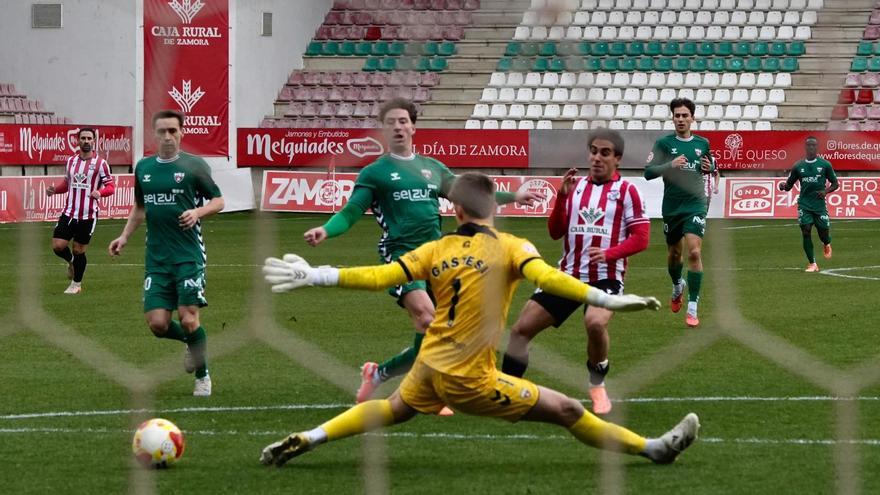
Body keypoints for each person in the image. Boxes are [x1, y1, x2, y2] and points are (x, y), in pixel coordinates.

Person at [260, 172, 699, 468]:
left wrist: (315, 274)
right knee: (567, 409)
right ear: (493, 206)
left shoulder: (436, 248)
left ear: (455, 211)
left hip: (429, 366)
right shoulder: (510, 246)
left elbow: (381, 276)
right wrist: (606, 299)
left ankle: (310, 437)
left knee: (393, 408)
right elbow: (548, 278)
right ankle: (653, 449)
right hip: (469, 378)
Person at [302, 97, 543, 409]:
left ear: (413, 127)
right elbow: (350, 213)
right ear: (383, 130)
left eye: (403, 121)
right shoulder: (375, 173)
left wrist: (514, 196)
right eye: (391, 122)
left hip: (436, 258)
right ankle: (426, 391)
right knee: (429, 319)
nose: (398, 127)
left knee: (441, 331)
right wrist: (325, 229)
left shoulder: (432, 168)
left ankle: (379, 373)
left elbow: (471, 195)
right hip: (400, 256)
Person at [502, 129, 650, 415]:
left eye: (604, 153)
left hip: (605, 278)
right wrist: (561, 198)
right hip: (567, 275)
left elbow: (641, 238)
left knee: (595, 323)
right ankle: (507, 390)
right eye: (593, 151)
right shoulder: (576, 187)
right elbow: (555, 232)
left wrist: (609, 253)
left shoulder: (628, 191)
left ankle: (597, 384)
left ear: (617, 158)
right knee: (520, 331)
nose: (597, 158)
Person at [108, 110, 224, 397]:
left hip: (188, 255)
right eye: (162, 131)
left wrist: (197, 212)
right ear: (154, 135)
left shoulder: (194, 165)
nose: (168, 136)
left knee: (188, 318)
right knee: (158, 324)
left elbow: (218, 201)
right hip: (157, 259)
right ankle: (191, 342)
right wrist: (124, 236)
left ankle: (203, 376)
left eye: (173, 130)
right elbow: (140, 207)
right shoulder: (144, 168)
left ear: (182, 132)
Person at [644, 98, 714, 328]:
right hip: (672, 207)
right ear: (672, 118)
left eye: (685, 115)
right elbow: (648, 172)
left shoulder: (703, 143)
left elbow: (710, 166)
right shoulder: (664, 144)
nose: (681, 119)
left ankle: (693, 307)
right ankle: (677, 286)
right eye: (677, 115)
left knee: (694, 252)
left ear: (693, 118)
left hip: (695, 204)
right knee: (675, 254)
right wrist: (670, 165)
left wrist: (711, 167)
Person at [47, 127, 116, 294]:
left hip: (88, 215)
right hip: (69, 213)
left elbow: (111, 186)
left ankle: (76, 284)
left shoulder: (101, 164)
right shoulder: (71, 161)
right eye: (83, 138)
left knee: (79, 250)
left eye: (89, 138)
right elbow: (67, 184)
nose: (86, 141)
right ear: (78, 140)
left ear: (94, 141)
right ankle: (71, 261)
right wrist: (55, 190)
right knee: (58, 246)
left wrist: (100, 193)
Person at [778, 136, 838, 272]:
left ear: (817, 147)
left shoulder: (825, 165)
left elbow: (835, 184)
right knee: (806, 231)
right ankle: (812, 263)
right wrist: (783, 186)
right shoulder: (798, 166)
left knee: (823, 233)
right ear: (805, 147)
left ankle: (826, 243)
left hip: (819, 205)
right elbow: (789, 185)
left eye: (813, 145)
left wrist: (825, 191)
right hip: (804, 204)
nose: (811, 147)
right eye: (809, 145)